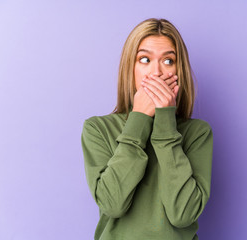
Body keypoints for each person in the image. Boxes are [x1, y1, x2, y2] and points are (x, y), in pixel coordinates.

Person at [81, 18, 213, 240]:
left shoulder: (197, 133)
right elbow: (112, 205)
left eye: (168, 61)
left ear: (179, 71)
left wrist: (165, 124)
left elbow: (183, 214)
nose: (156, 72)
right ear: (130, 68)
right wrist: (139, 119)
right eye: (144, 59)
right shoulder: (98, 129)